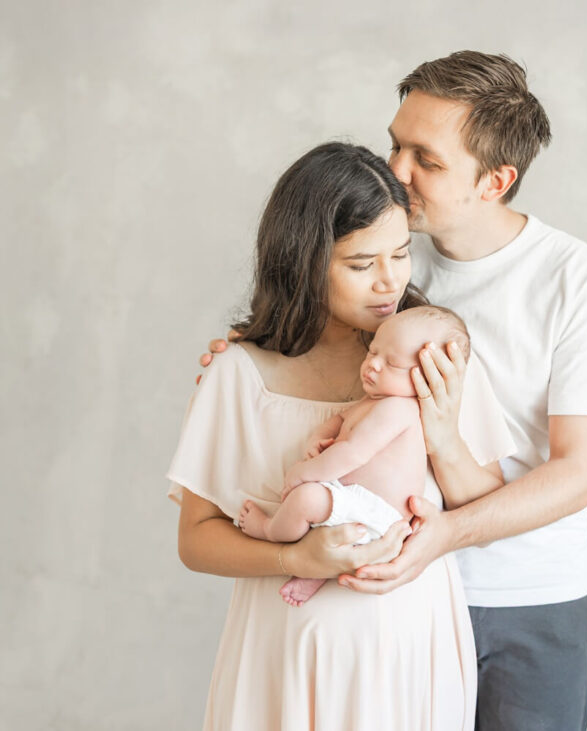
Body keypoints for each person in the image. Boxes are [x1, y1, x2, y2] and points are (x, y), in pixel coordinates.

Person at [202, 52, 587, 730]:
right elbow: (301, 340)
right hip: (392, 596)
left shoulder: (577, 279)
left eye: (426, 160)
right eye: (395, 144)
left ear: (496, 180)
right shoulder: (389, 259)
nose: (396, 173)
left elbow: (577, 472)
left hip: (529, 597)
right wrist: (245, 349)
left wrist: (443, 535)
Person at [168, 141, 515, 730]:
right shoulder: (239, 372)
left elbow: (481, 511)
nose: (389, 283)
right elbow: (196, 541)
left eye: (402, 254)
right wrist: (293, 556)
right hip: (284, 654)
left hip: (409, 645)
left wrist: (441, 429)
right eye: (361, 264)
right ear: (303, 261)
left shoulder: (432, 357)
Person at [238, 305, 477, 607]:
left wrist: (306, 471)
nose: (373, 364)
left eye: (392, 363)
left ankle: (270, 530)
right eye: (373, 351)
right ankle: (317, 573)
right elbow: (339, 421)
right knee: (315, 504)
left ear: (430, 378)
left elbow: (353, 453)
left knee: (306, 498)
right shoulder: (374, 402)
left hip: (377, 517)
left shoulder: (398, 409)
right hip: (355, 503)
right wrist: (317, 437)